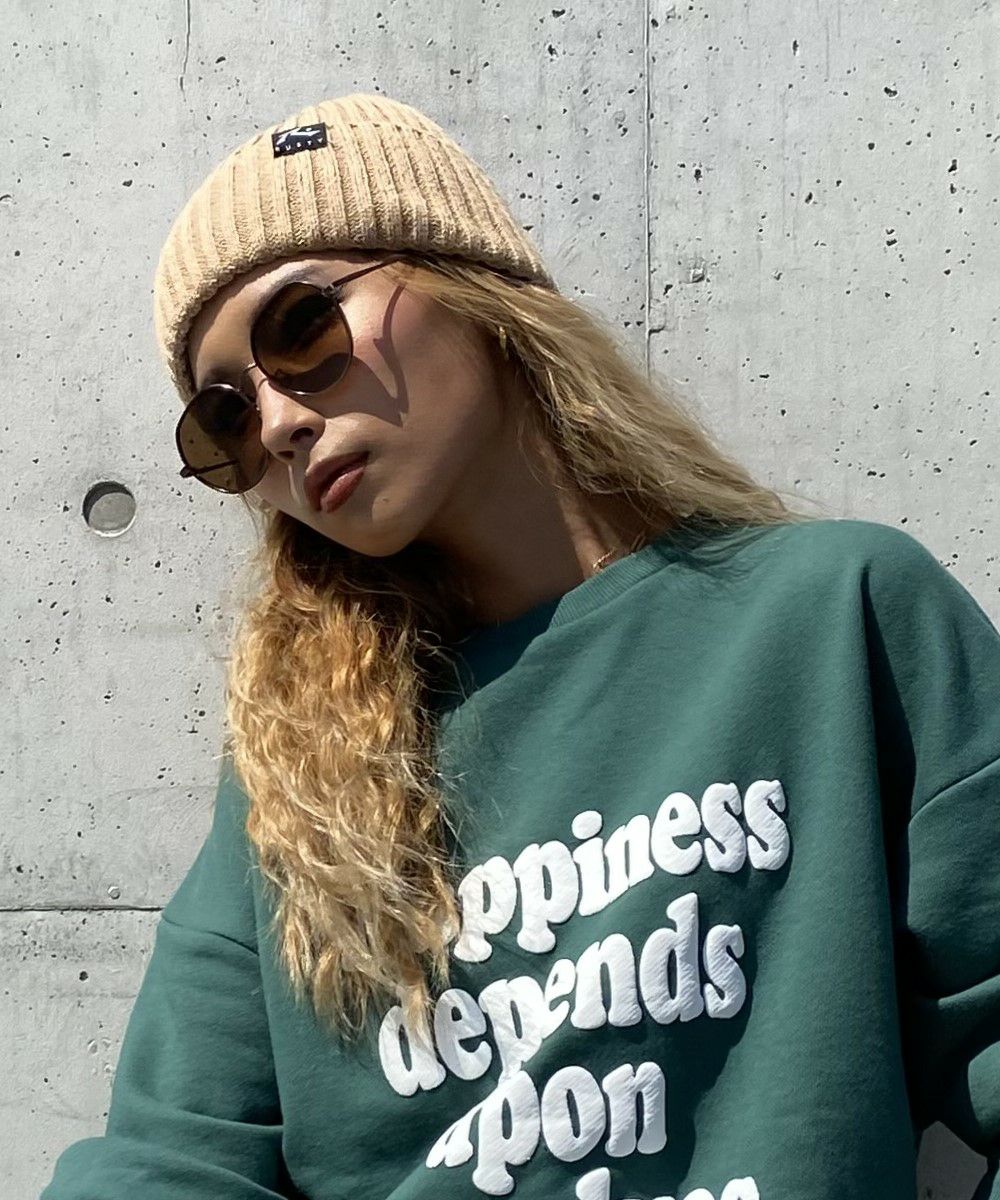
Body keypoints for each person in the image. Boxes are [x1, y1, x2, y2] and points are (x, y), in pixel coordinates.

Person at [40, 92, 1000, 1200]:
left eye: (299, 329)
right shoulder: (295, 782)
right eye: (227, 419)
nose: (281, 424)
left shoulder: (836, 616)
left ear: (467, 281)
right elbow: (168, 1162)